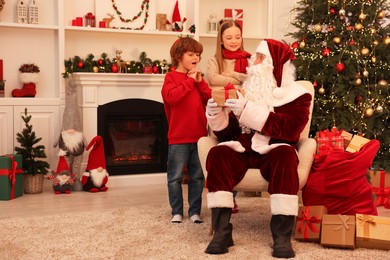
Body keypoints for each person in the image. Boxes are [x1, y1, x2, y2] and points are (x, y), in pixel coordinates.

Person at [204, 39, 312, 258]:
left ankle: (281, 236)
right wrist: (217, 114)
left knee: (285, 155)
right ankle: (222, 232)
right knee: (218, 152)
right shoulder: (245, 91)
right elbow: (229, 134)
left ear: (274, 64)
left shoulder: (299, 95)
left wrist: (247, 109)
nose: (253, 60)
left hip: (274, 149)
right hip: (244, 149)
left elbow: (291, 131)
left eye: (259, 57)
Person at [161, 37, 212, 224]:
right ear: (178, 56)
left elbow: (210, 99)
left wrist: (199, 82)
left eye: (197, 54)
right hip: (178, 137)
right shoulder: (171, 78)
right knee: (174, 177)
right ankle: (176, 211)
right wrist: (190, 81)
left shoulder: (197, 79)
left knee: (197, 177)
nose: (195, 57)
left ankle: (194, 212)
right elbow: (173, 98)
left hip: (199, 137)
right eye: (191, 54)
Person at [206, 19, 252, 214]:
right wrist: (237, 80)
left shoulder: (249, 59)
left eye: (237, 37)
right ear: (221, 40)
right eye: (229, 37)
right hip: (222, 112)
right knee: (224, 150)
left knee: (239, 150)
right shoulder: (214, 60)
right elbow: (212, 79)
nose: (234, 41)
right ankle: (226, 197)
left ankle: (232, 196)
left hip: (243, 112)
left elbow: (251, 80)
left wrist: (233, 74)